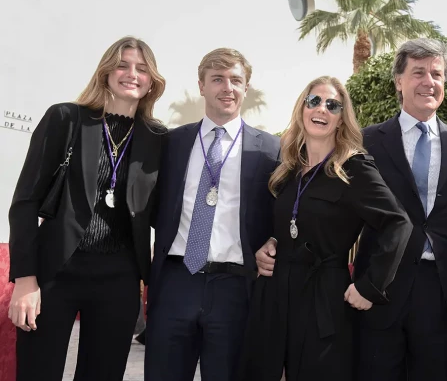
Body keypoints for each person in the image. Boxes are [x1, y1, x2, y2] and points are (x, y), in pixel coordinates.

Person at [8, 36, 166, 380]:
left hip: (120, 279)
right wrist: (24, 280)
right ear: (106, 71)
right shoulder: (66, 118)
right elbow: (24, 203)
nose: (132, 74)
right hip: (55, 274)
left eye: (142, 68)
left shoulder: (156, 137)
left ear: (152, 80)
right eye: (123, 65)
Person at [243, 76, 412, 381]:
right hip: (275, 294)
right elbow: (287, 222)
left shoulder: (355, 168)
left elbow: (397, 223)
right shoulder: (287, 167)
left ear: (340, 119)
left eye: (332, 105)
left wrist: (370, 286)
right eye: (314, 101)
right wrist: (270, 240)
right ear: (302, 109)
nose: (322, 108)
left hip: (323, 298)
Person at [144, 48, 280, 381]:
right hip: (176, 281)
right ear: (201, 85)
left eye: (236, 80)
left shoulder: (271, 149)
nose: (227, 88)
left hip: (235, 288)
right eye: (217, 79)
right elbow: (151, 204)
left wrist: (274, 240)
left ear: (246, 88)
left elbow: (285, 211)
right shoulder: (170, 142)